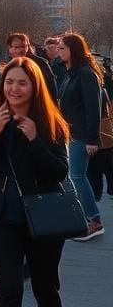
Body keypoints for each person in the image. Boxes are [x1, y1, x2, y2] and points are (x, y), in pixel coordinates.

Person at [0, 57, 70, 307]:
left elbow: (59, 172)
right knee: (9, 290)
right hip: (4, 216)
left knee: (46, 288)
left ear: (35, 86)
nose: (14, 89)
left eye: (22, 83)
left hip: (45, 215)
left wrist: (35, 141)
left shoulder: (51, 122)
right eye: (9, 82)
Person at [57, 33, 104, 240]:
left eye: (62, 48)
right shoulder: (71, 73)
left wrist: (92, 139)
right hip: (71, 132)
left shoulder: (85, 74)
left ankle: (94, 220)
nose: (59, 52)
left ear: (72, 50)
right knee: (74, 176)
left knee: (77, 176)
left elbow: (93, 108)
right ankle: (84, 219)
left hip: (82, 134)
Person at [7, 33, 58, 102]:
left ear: (28, 47)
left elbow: (51, 88)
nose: (20, 50)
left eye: (24, 46)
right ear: (10, 48)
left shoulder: (40, 63)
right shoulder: (9, 65)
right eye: (16, 47)